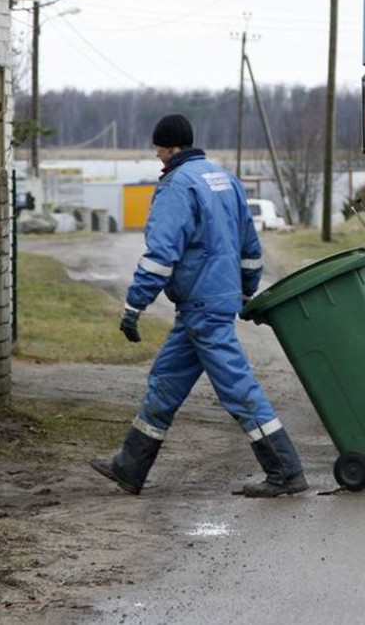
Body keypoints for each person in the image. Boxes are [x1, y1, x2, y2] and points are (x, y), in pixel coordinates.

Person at [89, 113, 308, 498]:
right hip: (209, 303)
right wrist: (244, 291)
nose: (157, 155)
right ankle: (130, 467)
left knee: (238, 387)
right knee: (165, 383)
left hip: (201, 305)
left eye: (158, 148)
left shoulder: (176, 187)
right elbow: (250, 248)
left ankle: (285, 469)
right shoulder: (225, 179)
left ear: (171, 147)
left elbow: (160, 256)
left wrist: (134, 306)